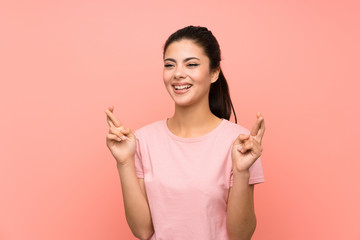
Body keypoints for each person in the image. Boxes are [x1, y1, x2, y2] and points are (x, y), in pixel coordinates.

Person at [105, 25, 266, 240]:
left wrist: (241, 172)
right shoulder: (142, 140)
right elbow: (142, 231)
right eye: (169, 65)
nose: (178, 74)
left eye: (191, 64)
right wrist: (124, 162)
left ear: (214, 72)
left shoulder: (239, 142)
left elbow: (241, 236)